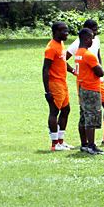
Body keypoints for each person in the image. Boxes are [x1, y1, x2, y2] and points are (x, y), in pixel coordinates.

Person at [66, 19, 104, 145]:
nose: (96, 34)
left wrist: (100, 70)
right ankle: (88, 143)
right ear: (87, 32)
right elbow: (62, 59)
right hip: (86, 83)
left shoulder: (95, 40)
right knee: (88, 112)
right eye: (94, 31)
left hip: (98, 81)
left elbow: (98, 56)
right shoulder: (78, 44)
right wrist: (73, 71)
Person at [73, 28, 104, 155]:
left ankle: (84, 144)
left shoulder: (78, 53)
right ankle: (91, 145)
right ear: (86, 38)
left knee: (83, 116)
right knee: (91, 116)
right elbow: (100, 72)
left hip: (82, 87)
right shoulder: (88, 55)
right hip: (91, 88)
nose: (93, 40)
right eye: (91, 38)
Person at [42, 21, 74, 151]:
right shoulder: (51, 48)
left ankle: (61, 141)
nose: (67, 33)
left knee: (66, 110)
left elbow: (62, 61)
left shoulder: (60, 44)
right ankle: (54, 144)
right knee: (54, 111)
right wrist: (47, 91)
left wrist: (72, 71)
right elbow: (45, 70)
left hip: (63, 83)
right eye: (64, 31)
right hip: (54, 84)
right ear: (56, 32)